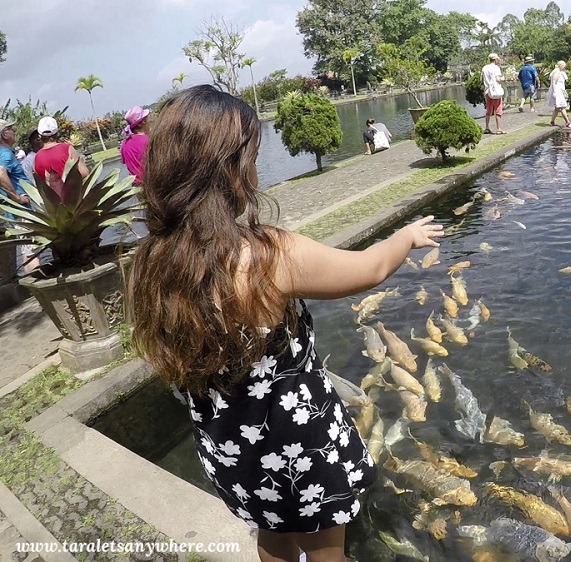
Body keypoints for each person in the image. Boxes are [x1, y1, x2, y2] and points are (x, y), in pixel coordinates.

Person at [126, 85, 444, 562]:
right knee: (325, 551)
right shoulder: (263, 256)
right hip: (298, 446)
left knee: (271, 538)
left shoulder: (151, 262)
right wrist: (406, 236)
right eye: (251, 156)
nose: (255, 169)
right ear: (230, 167)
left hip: (232, 447)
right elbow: (370, 269)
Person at [0, 119, 37, 273]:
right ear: (3, 134)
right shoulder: (5, 154)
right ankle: (39, 284)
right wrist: (17, 198)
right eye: (10, 128)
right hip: (21, 209)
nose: (14, 131)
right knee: (32, 250)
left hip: (16, 210)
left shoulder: (5, 152)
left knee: (27, 249)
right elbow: (1, 174)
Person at [33, 116, 89, 200]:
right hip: (75, 200)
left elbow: (40, 185)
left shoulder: (36, 158)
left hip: (54, 207)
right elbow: (84, 173)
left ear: (39, 136)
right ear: (57, 133)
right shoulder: (67, 149)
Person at [120, 106, 151, 185]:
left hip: (136, 186)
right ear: (142, 123)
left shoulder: (124, 144)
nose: (149, 122)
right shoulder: (148, 141)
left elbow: (126, 162)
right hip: (151, 184)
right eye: (147, 120)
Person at [482, 53, 505, 134]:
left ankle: (487, 127)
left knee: (488, 110)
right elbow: (498, 79)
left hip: (487, 91)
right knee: (498, 109)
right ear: (495, 60)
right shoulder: (496, 68)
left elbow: (482, 79)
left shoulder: (484, 68)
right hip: (495, 91)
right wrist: (503, 78)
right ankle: (498, 128)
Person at [547, 61, 571, 129]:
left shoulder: (559, 72)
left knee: (557, 108)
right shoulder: (557, 72)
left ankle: (552, 121)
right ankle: (567, 122)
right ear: (561, 66)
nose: (564, 68)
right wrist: (554, 92)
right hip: (557, 91)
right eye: (563, 66)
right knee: (562, 107)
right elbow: (554, 82)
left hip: (560, 91)